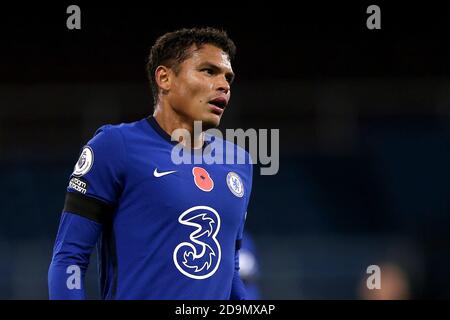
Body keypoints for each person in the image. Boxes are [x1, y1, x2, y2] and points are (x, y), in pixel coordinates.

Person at [48, 27, 253, 300]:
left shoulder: (239, 163)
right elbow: (69, 258)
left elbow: (231, 271)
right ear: (165, 78)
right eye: (208, 71)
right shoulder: (115, 146)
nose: (224, 85)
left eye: (228, 77)